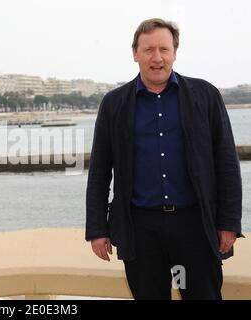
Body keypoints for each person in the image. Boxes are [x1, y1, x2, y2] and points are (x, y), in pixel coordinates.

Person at [86, 18, 243, 300]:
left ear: (174, 53)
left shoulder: (205, 96)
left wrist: (229, 223)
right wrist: (98, 230)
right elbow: (99, 171)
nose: (157, 58)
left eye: (164, 49)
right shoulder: (113, 104)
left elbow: (227, 164)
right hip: (140, 229)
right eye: (148, 50)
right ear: (135, 53)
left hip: (195, 226)